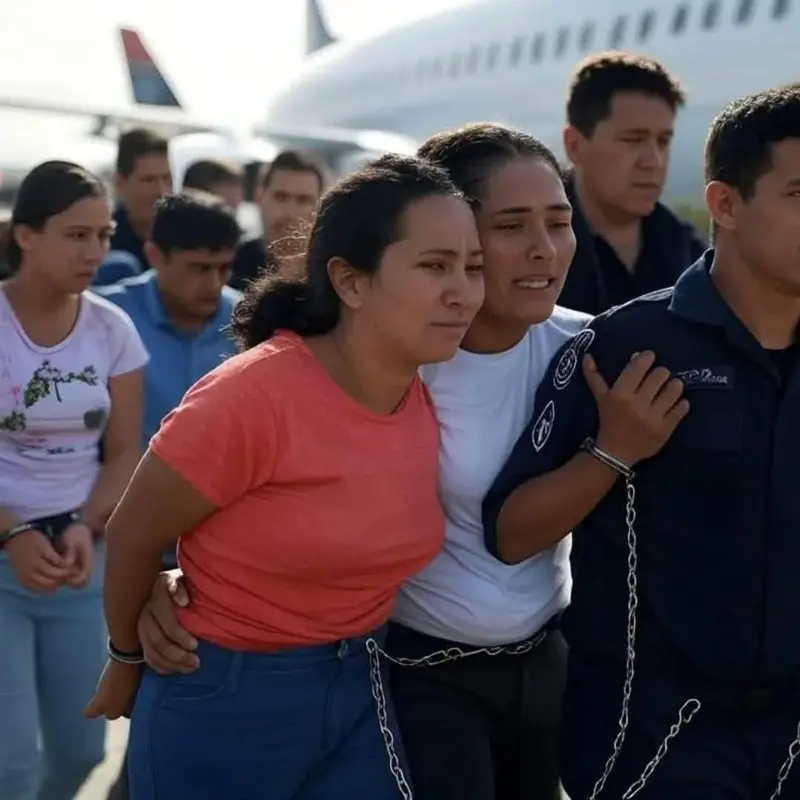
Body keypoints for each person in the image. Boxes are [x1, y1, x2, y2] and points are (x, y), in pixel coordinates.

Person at [133, 122, 665, 798]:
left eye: (559, 223)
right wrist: (167, 581)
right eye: (510, 227)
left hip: (546, 664)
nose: (544, 248)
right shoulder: (387, 360)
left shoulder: (592, 349)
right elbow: (248, 479)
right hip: (408, 671)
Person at [83, 153, 484, 799]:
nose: (462, 291)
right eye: (435, 266)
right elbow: (134, 530)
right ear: (350, 281)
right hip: (223, 699)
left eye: (473, 267)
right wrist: (128, 655)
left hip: (362, 687)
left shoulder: (437, 387)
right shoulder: (253, 396)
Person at [482, 84, 800, 799]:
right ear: (725, 205)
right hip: (657, 740)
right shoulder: (625, 348)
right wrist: (611, 453)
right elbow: (508, 532)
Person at [0, 161, 147, 800]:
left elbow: (124, 451)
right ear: (26, 235)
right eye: (76, 235)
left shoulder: (113, 329)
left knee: (82, 751)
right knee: (10, 767)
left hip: (79, 564)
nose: (95, 252)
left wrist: (87, 526)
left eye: (103, 235)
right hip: (4, 562)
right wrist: (13, 534)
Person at [97, 192, 242, 800]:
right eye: (198, 267)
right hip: (115, 542)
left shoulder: (250, 326)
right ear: (155, 255)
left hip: (211, 555)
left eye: (224, 267)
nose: (214, 284)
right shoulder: (105, 319)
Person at [558, 51, 706, 315]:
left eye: (663, 141)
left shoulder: (694, 264)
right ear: (575, 145)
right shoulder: (535, 258)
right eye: (633, 140)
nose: (654, 161)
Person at [230, 149, 325, 290]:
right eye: (281, 197)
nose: (290, 212)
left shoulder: (331, 274)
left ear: (320, 207)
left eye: (303, 200)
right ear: (260, 197)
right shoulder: (229, 264)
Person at [109, 128, 173, 270]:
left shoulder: (185, 240)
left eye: (166, 179)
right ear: (120, 184)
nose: (162, 191)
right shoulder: (103, 243)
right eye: (148, 180)